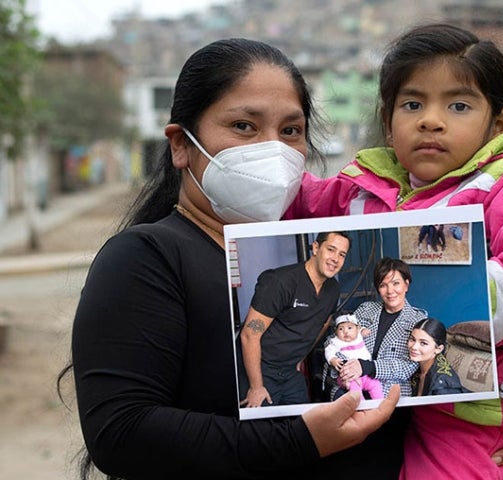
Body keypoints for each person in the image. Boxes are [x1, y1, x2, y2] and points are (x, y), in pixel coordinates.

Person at [60, 38, 399, 480]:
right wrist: (299, 440)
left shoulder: (323, 284)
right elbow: (120, 432)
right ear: (181, 145)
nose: (273, 150)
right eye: (244, 126)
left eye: (291, 131)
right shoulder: (146, 258)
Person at [284, 22, 503, 479]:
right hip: (396, 394)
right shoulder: (364, 185)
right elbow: (297, 201)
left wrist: (450, 292)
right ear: (388, 122)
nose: (431, 119)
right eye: (412, 103)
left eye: (459, 105)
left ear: (498, 122)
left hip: (477, 410)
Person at [240, 231, 351, 407]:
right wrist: (256, 386)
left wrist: (301, 355)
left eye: (342, 254)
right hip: (261, 370)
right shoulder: (280, 282)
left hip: (291, 372)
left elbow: (322, 324)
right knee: (262, 431)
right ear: (315, 247)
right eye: (331, 249)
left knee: (302, 426)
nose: (335, 259)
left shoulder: (333, 289)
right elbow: (249, 335)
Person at [330, 257, 427, 401]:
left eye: (396, 283)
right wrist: (345, 371)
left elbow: (407, 367)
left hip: (389, 391)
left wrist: (366, 367)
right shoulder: (365, 310)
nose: (390, 291)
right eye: (383, 285)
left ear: (406, 285)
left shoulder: (417, 320)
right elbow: (337, 341)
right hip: (352, 383)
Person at [324, 312, 383, 400]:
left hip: (365, 374)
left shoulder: (359, 335)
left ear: (357, 329)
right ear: (336, 331)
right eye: (341, 329)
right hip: (348, 376)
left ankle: (379, 403)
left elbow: (361, 328)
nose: (346, 332)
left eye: (350, 328)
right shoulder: (336, 342)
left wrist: (364, 330)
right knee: (355, 388)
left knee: (376, 384)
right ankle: (361, 406)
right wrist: (332, 359)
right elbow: (328, 350)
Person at [407, 318, 469, 397]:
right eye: (412, 339)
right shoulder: (414, 370)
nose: (414, 347)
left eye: (423, 343)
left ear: (438, 349)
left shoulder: (443, 383)